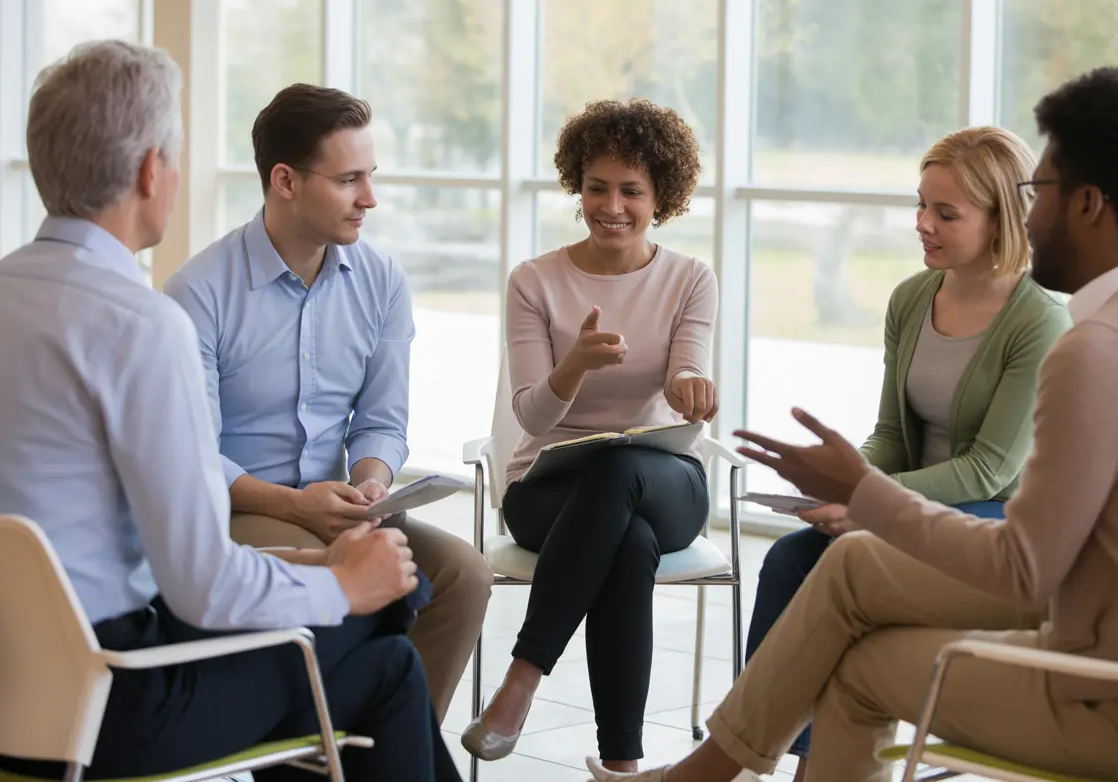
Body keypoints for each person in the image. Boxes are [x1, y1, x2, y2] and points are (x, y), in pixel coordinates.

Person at [587, 67, 1118, 782]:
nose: (1030, 218)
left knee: (859, 667)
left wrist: (864, 494)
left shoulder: (1094, 347)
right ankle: (709, 773)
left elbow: (1022, 569)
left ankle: (704, 776)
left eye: (1037, 194)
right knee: (850, 566)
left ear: (1088, 205)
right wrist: (858, 490)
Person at [0, 41, 460, 781]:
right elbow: (202, 586)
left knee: (386, 662)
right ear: (153, 170)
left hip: (16, 687)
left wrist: (311, 567)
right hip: (112, 703)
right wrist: (343, 584)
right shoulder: (141, 324)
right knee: (388, 624)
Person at [745, 126, 1070, 781]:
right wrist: (839, 482)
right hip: (911, 501)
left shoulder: (1039, 319)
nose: (922, 224)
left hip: (996, 518)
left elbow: (990, 470)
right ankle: (780, 756)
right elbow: (892, 436)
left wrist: (869, 501)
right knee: (786, 561)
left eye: (945, 213)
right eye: (920, 205)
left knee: (849, 556)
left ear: (1002, 218)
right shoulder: (911, 298)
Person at [163, 83, 492, 722]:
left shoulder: (381, 281)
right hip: (241, 510)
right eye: (348, 180)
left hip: (341, 508)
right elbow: (193, 459)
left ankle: (389, 746)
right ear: (284, 181)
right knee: (366, 582)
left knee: (463, 575)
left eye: (369, 176)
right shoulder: (197, 294)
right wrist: (294, 504)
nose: (369, 198)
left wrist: (372, 483)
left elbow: (381, 421)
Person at [460, 99, 717, 773]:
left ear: (662, 195)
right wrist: (575, 362)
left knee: (619, 469)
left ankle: (520, 681)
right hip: (545, 488)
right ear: (577, 184)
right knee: (622, 539)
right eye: (597, 186)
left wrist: (691, 383)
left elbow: (690, 363)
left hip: (664, 482)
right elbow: (534, 419)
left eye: (631, 191)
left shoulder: (690, 278)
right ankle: (623, 766)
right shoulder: (535, 282)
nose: (612, 205)